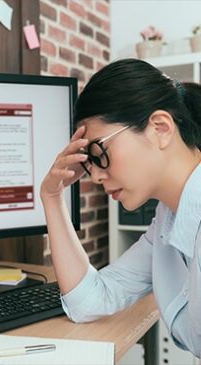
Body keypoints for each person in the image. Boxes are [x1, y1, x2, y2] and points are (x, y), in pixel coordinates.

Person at [40, 58, 201, 359]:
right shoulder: (168, 220)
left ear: (160, 128)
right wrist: (52, 196)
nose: (97, 176)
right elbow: (90, 301)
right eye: (88, 164)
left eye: (99, 154)